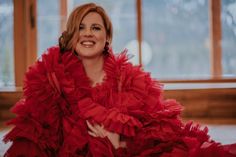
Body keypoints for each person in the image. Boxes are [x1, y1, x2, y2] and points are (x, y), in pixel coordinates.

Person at [3, 2, 236, 157]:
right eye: (80, 27)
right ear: (71, 36)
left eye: (95, 28)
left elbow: (154, 135)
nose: (87, 33)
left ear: (107, 39)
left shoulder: (130, 82)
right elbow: (38, 134)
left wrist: (119, 142)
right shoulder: (52, 77)